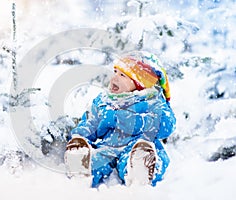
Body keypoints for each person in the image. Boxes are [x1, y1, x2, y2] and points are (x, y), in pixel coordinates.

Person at [64, 51, 176, 188]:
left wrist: (130, 120)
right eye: (115, 72)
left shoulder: (153, 102)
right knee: (99, 159)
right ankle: (83, 167)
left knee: (140, 158)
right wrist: (81, 136)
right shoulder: (104, 101)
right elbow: (91, 122)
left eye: (122, 75)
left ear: (140, 84)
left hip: (138, 145)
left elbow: (166, 125)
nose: (114, 78)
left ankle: (140, 171)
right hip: (109, 145)